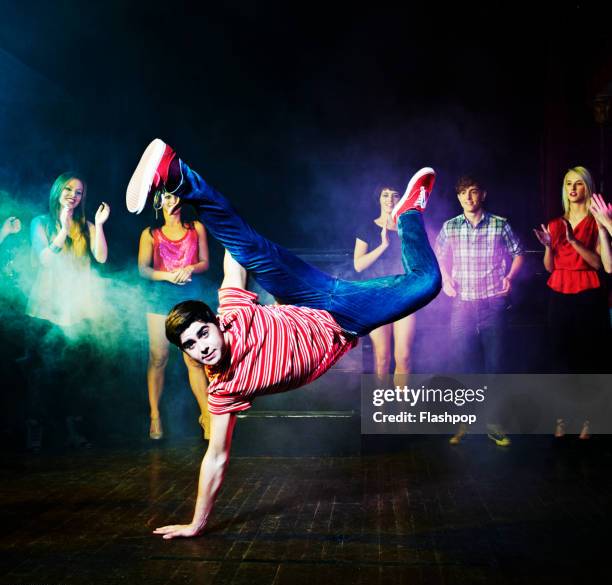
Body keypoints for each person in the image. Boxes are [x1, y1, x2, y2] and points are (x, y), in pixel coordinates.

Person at [124, 139, 441, 539]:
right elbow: (216, 458)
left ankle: (177, 175)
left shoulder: (234, 314)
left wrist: (238, 239)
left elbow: (235, 264)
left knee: (249, 246)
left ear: (215, 323)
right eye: (191, 345)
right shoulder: (223, 391)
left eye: (203, 333)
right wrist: (196, 523)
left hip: (308, 294)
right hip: (346, 319)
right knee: (428, 283)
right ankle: (408, 212)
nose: (202, 346)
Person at [435, 175, 524, 447]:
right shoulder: (449, 227)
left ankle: (493, 422)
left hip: (492, 304)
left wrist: (510, 276)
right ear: (458, 196)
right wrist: (446, 279)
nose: (468, 198)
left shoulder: (500, 224)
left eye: (473, 192)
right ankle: (465, 422)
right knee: (463, 364)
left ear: (482, 194)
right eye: (463, 193)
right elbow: (437, 256)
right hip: (462, 304)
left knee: (494, 367)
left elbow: (519, 252)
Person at [25, 172, 110, 449]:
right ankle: (35, 430)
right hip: (45, 309)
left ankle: (71, 429)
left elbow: (101, 257)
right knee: (42, 374)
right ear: (57, 190)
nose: (73, 195)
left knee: (74, 375)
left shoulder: (86, 226)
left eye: (79, 192)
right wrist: (62, 229)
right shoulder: (40, 223)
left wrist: (98, 225)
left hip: (76, 310)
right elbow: (45, 260)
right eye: (69, 189)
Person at [533, 167, 610, 439]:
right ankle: (562, 418)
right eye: (568, 184)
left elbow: (599, 264)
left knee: (587, 356)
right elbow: (549, 267)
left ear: (587, 187)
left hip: (588, 289)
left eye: (578, 183)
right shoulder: (555, 223)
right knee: (560, 356)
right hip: (559, 289)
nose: (572, 188)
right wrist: (547, 245)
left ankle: (589, 420)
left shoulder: (597, 220)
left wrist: (573, 241)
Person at [138, 188, 212, 440]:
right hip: (159, 299)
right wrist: (168, 275)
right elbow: (143, 269)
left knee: (194, 360)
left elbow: (205, 263)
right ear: (159, 202)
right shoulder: (150, 234)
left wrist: (189, 268)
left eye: (176, 196)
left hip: (190, 298)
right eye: (167, 196)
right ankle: (155, 416)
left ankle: (206, 416)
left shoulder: (196, 228)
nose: (173, 201)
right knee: (158, 357)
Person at [354, 186, 416, 381]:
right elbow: (358, 265)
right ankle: (380, 410)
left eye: (395, 195)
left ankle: (401, 411)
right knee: (382, 358)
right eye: (385, 195)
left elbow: (417, 261)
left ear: (401, 198)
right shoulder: (367, 227)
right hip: (377, 298)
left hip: (404, 296)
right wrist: (383, 246)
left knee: (403, 357)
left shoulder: (408, 228)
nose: (390, 199)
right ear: (379, 198)